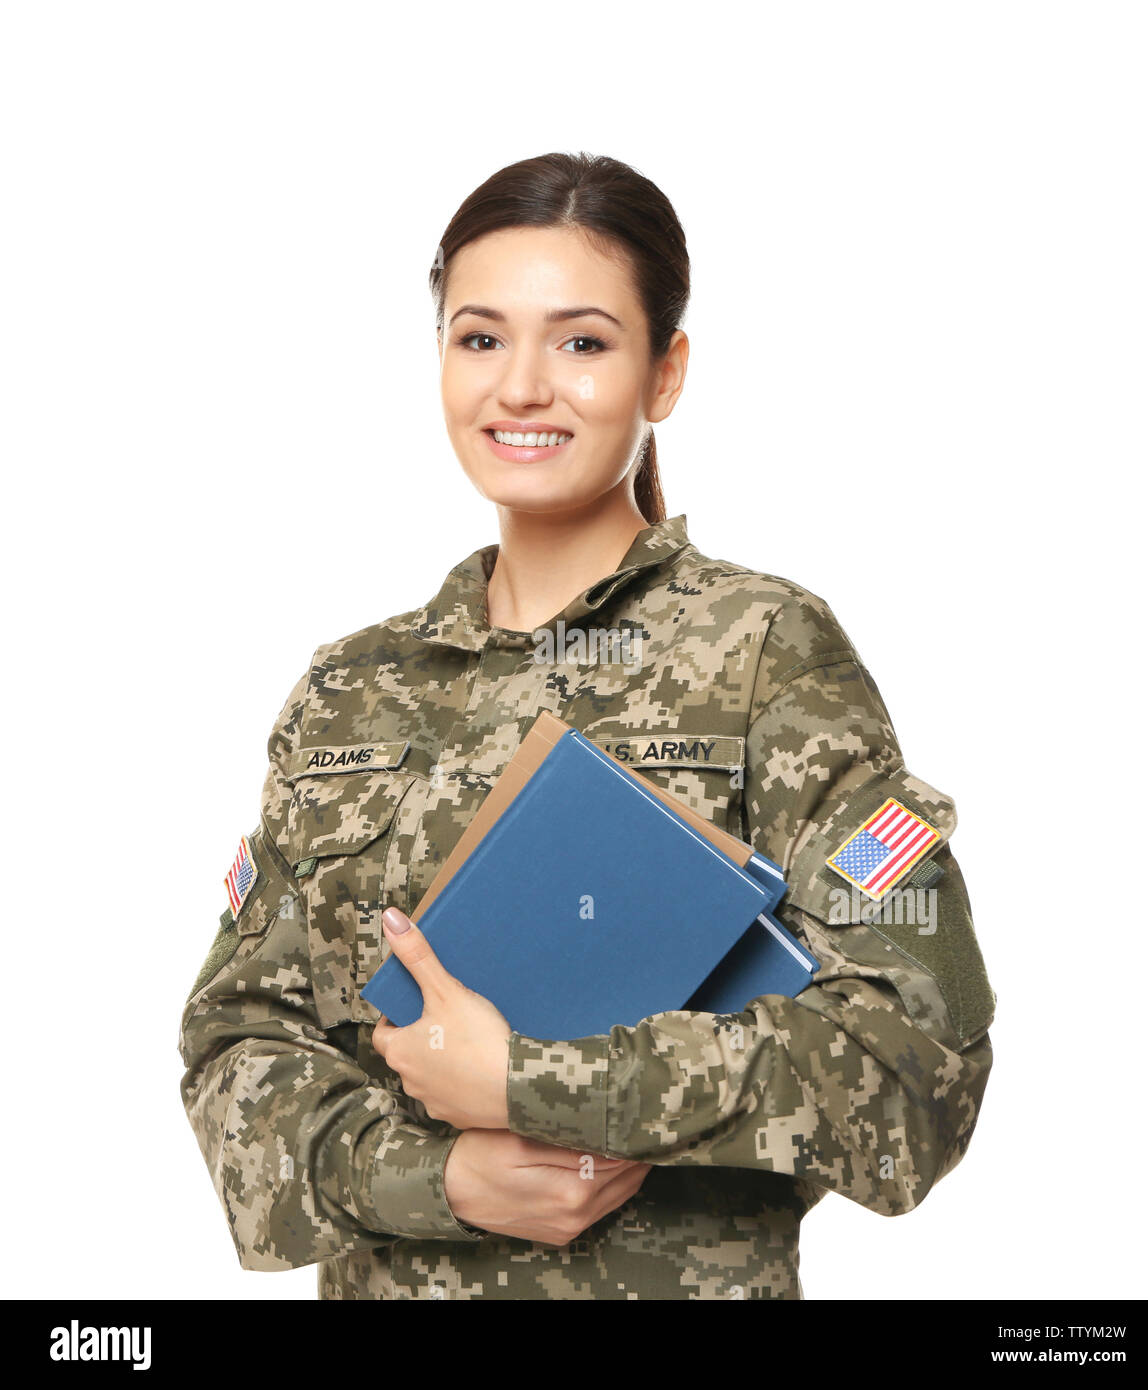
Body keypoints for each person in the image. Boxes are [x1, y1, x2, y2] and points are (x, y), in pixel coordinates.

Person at [178, 151, 996, 1301]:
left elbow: (919, 1072)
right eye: (479, 338)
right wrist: (443, 1176)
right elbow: (232, 1050)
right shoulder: (345, 692)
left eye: (582, 341)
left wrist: (537, 1081)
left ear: (665, 373)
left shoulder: (769, 652)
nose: (520, 386)